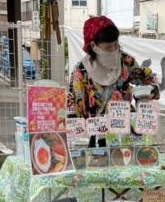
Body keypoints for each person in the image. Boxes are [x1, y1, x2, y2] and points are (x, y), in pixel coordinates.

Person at [68, 16, 159, 147]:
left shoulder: (126, 61)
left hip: (126, 136)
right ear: (94, 46)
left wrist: (151, 90)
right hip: (97, 139)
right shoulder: (81, 71)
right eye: (108, 47)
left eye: (116, 44)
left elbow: (148, 79)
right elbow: (75, 110)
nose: (114, 49)